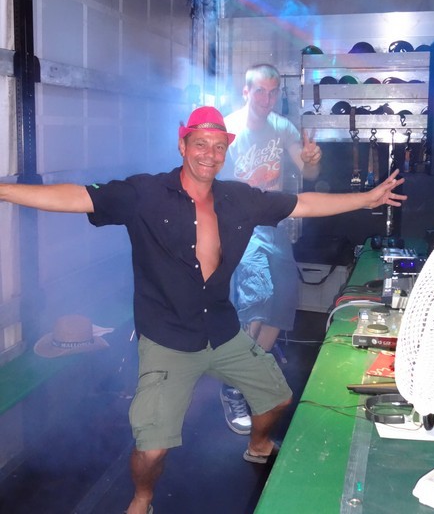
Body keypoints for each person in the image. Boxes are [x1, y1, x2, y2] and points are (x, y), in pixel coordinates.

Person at [0, 106, 406, 514]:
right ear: (182, 145)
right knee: (152, 450)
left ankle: (259, 444)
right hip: (168, 340)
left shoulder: (239, 198)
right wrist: (3, 190)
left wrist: (367, 198)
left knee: (278, 399)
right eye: (200, 144)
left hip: (223, 332)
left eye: (218, 146)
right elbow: (76, 196)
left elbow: (302, 203)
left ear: (226, 150)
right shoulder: (144, 193)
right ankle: (142, 498)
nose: (209, 154)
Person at [220, 63, 322, 435]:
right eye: (260, 91)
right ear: (246, 92)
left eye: (273, 91)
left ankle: (252, 373)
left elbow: (308, 172)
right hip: (241, 227)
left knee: (283, 302)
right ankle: (232, 387)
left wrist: (311, 162)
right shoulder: (228, 128)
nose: (266, 98)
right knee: (258, 298)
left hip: (274, 225)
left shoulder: (283, 127)